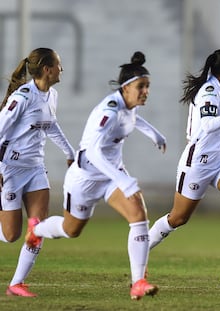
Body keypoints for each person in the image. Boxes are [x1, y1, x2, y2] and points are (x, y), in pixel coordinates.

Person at [25, 51, 166, 300]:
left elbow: (132, 118)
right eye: (141, 86)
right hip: (85, 178)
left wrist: (154, 133)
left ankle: (138, 282)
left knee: (138, 214)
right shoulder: (109, 110)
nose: (146, 91)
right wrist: (123, 180)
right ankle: (37, 230)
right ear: (125, 88)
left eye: (148, 86)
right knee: (71, 230)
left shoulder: (127, 105)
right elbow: (92, 152)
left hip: (110, 176)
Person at [148, 49, 220, 254]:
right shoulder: (210, 90)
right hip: (198, 164)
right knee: (178, 218)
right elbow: (208, 125)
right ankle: (140, 250)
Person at [0, 48, 75, 297]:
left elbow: (51, 126)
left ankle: (17, 283)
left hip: (35, 170)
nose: (61, 69)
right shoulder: (22, 98)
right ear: (47, 69)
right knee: (11, 235)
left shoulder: (52, 95)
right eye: (59, 65)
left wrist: (70, 152)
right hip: (10, 169)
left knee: (37, 227)